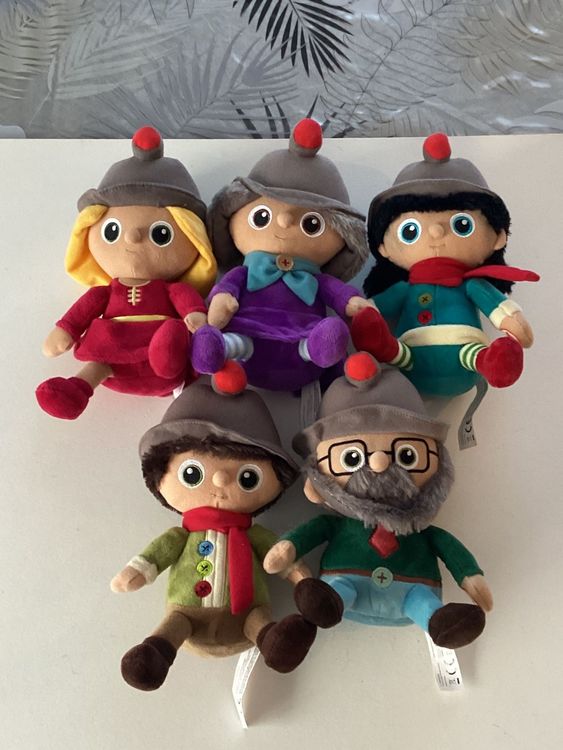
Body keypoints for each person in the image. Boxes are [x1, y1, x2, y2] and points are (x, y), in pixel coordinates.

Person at [264, 353, 493, 650]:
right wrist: (288, 548)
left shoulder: (420, 528)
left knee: (421, 601)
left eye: (406, 454)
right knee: (336, 592)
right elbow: (311, 532)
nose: (380, 462)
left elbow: (448, 547)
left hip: (414, 590)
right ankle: (327, 607)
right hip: (345, 586)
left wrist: (470, 576)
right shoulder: (336, 523)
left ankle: (436, 621)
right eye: (352, 457)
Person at [111, 380, 319, 691]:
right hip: (186, 614)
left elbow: (280, 556)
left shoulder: (255, 535)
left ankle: (271, 641)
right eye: (192, 474)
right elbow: (159, 553)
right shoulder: (181, 535)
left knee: (258, 621)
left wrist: (301, 580)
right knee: (176, 623)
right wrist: (136, 572)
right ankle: (158, 650)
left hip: (247, 614)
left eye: (247, 477)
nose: (221, 480)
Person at [36, 126, 217, 419]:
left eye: (161, 234)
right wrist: (66, 329)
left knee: (171, 342)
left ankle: (167, 362)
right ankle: (77, 389)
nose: (132, 238)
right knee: (99, 361)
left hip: (158, 345)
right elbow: (84, 310)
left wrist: (195, 315)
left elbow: (188, 303)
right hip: (112, 345)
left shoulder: (170, 289)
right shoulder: (105, 292)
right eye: (112, 231)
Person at [352, 133, 539, 397]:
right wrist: (364, 310)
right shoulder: (404, 288)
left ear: (496, 237)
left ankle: (492, 363)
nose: (437, 232)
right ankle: (384, 347)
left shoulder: (473, 285)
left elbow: (499, 309)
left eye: (462, 225)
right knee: (393, 348)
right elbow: (374, 309)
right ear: (384, 247)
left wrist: (514, 324)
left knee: (474, 353)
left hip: (465, 353)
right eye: (410, 231)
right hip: (411, 357)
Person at [191, 118, 371, 392]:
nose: (286, 221)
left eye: (312, 224)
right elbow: (226, 290)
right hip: (249, 336)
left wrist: (353, 303)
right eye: (262, 216)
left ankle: (317, 349)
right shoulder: (244, 273)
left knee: (326, 336)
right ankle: (218, 348)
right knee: (237, 343)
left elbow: (338, 294)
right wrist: (221, 301)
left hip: (302, 339)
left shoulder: (317, 280)